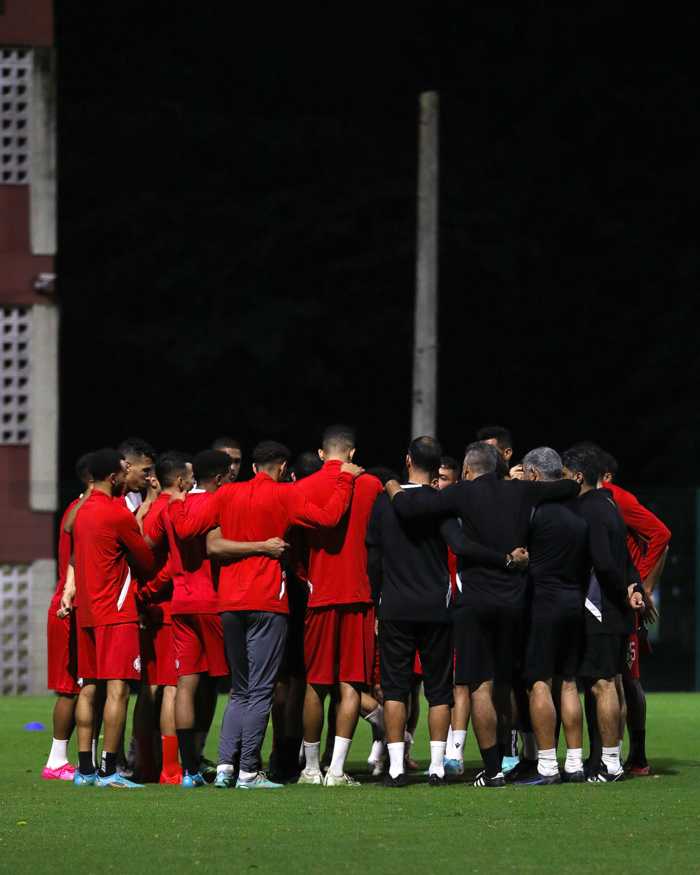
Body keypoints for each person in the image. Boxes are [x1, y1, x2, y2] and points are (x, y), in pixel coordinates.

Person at [168, 439, 362, 789]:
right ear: (283, 468)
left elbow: (187, 530)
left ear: (252, 466)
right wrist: (346, 479)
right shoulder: (285, 495)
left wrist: (178, 500)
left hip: (228, 601)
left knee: (240, 690)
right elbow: (330, 516)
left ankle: (227, 768)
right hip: (268, 601)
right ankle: (249, 772)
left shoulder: (226, 495)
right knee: (260, 690)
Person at [386, 440, 576, 787]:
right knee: (505, 685)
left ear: (468, 469)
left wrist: (391, 486)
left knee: (480, 688)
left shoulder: (461, 493)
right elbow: (569, 486)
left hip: (474, 603)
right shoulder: (520, 491)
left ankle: (492, 771)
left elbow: (412, 510)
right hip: (515, 603)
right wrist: (530, 482)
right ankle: (507, 756)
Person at [367, 436, 489, 787]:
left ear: (407, 460)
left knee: (394, 689)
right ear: (438, 467)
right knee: (438, 690)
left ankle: (394, 769)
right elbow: (459, 545)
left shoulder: (383, 503)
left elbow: (375, 562)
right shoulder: (442, 503)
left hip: (395, 607)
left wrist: (378, 603)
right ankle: (436, 767)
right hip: (437, 607)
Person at [294, 425, 383, 788]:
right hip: (358, 596)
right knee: (350, 685)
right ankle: (336, 771)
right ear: (352, 453)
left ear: (320, 453)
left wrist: (309, 580)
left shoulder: (301, 488)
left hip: (320, 595)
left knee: (315, 684)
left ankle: (311, 769)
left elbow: (295, 552)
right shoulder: (372, 485)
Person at [70, 448, 155, 788]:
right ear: (112, 477)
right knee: (118, 692)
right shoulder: (117, 514)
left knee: (89, 690)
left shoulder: (81, 513)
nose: (126, 475)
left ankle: (85, 770)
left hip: (87, 613)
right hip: (116, 613)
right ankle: (108, 771)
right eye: (123, 471)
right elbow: (146, 560)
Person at [561, 447, 644, 783]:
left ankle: (610, 763)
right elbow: (624, 556)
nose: (563, 480)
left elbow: (604, 561)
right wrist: (635, 586)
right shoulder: (608, 501)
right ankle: (605, 759)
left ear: (577, 476)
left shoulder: (587, 508)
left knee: (601, 684)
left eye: (565, 474)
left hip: (600, 609)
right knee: (610, 683)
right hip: (615, 610)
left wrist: (623, 592)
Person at [513, 447, 590, 785]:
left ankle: (547, 766)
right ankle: (574, 764)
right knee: (569, 683)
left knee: (539, 683)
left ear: (532, 475)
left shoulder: (533, 512)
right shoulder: (579, 513)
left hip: (541, 606)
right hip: (574, 604)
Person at [600, 451, 671, 775]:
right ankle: (613, 757)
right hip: (608, 598)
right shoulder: (596, 500)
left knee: (627, 679)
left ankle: (635, 757)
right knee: (615, 679)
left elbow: (662, 536)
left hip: (623, 601)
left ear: (605, 476)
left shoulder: (618, 499)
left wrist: (641, 586)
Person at [43, 454, 93, 781]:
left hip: (78, 608)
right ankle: (56, 762)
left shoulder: (82, 510)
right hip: (68, 609)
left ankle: (75, 760)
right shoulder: (79, 511)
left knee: (82, 687)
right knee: (69, 689)